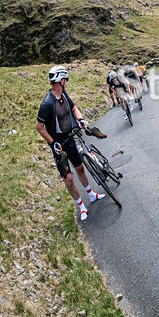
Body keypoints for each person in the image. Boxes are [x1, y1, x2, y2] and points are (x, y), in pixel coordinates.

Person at [36, 66, 105, 221]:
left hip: (70, 138)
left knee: (80, 168)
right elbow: (39, 127)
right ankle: (81, 206)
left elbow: (74, 109)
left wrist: (81, 120)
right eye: (65, 79)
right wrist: (53, 142)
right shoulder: (46, 104)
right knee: (68, 180)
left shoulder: (64, 94)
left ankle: (91, 194)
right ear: (61, 80)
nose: (66, 82)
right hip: (59, 147)